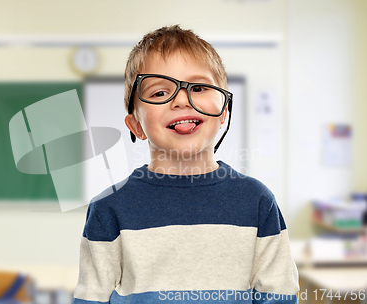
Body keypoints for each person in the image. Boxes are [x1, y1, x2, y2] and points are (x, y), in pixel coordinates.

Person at [71, 24, 299, 304]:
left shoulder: (257, 201)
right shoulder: (108, 207)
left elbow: (279, 296)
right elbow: (91, 298)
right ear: (136, 125)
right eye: (158, 93)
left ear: (223, 111)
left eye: (199, 87)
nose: (181, 100)